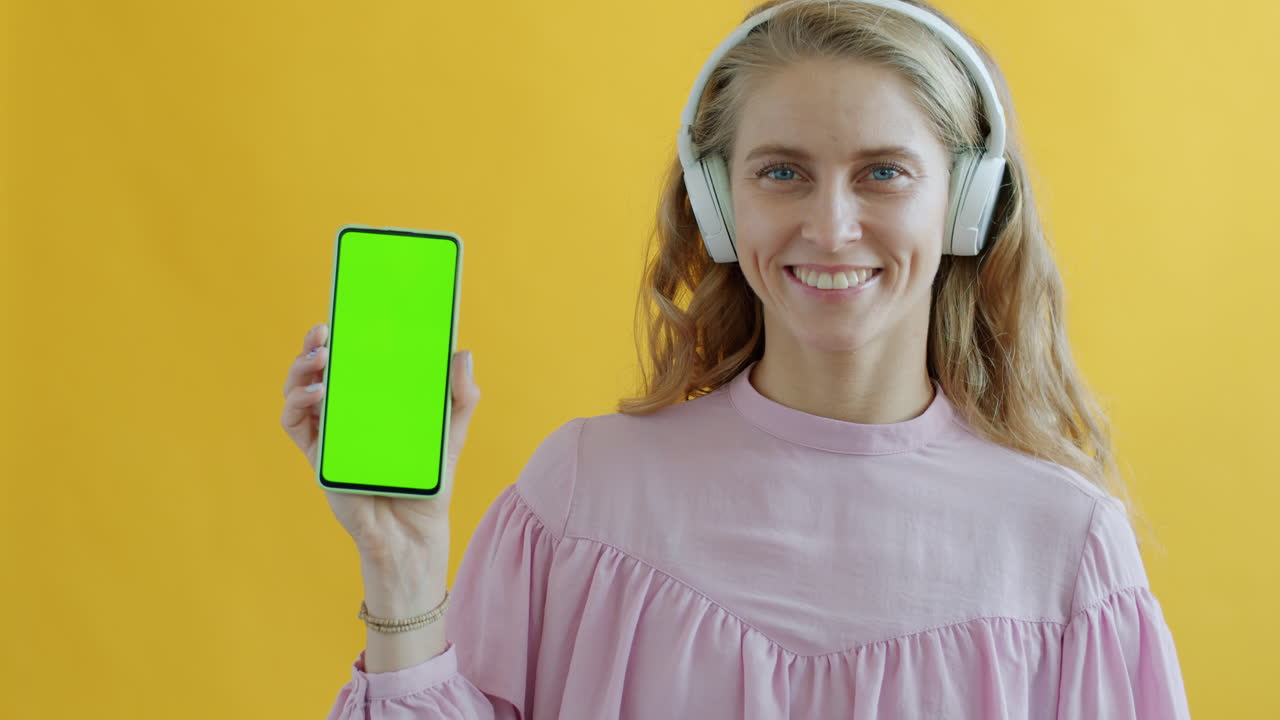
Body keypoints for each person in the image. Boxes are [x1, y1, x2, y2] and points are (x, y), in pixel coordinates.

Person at [280, 0, 1192, 717]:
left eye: (883, 172)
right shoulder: (582, 496)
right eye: (781, 171)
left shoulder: (1067, 551)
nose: (830, 227)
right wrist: (401, 567)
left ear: (967, 203)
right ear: (719, 205)